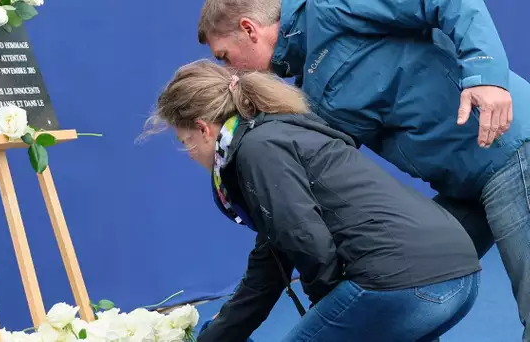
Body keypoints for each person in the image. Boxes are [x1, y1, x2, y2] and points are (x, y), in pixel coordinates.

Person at [196, 0, 530, 339]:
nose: (232, 74)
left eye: (224, 56)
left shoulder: (331, 6)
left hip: (512, 148)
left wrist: (486, 77)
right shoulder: (311, 91)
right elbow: (291, 220)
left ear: (249, 30)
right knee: (408, 276)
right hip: (465, 185)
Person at [140, 59, 481, 341]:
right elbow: (270, 262)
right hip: (459, 278)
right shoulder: (278, 133)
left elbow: (304, 238)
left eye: (186, 141)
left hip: (403, 285)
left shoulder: (257, 150)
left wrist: (328, 310)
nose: (188, 154)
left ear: (204, 128)